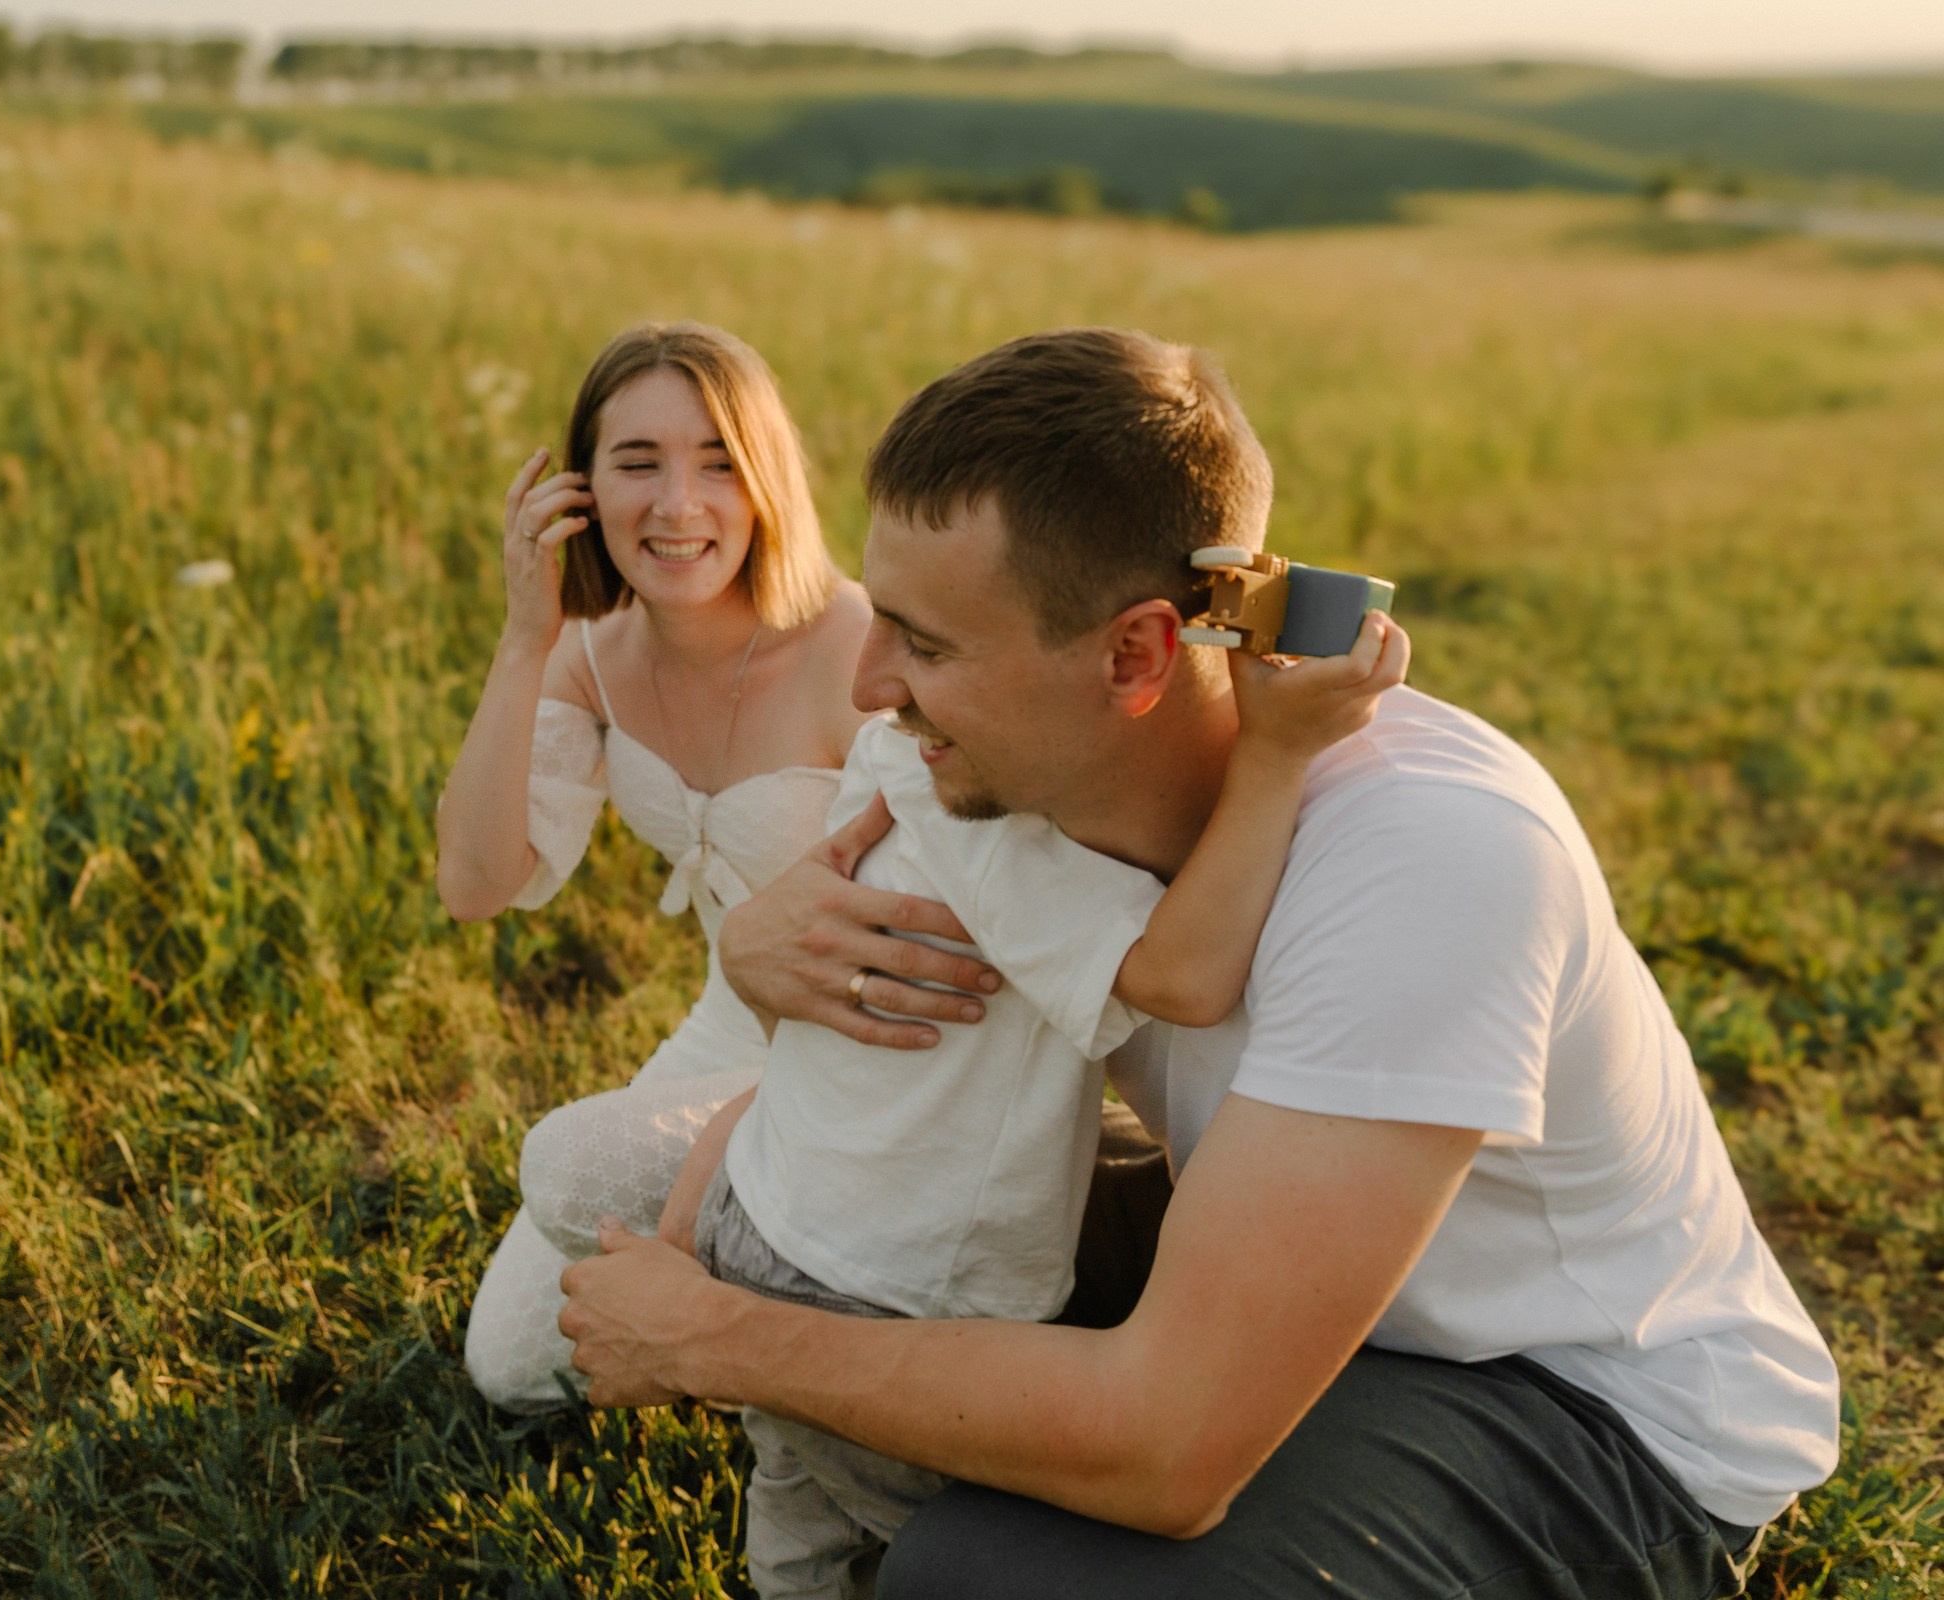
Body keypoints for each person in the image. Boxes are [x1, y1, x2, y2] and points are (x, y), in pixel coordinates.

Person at [557, 328, 1840, 1597]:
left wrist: (717, 1339)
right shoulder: (1021, 789)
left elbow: (1167, 1452)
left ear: (1137, 654)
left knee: (980, 1574)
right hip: (1279, 1226)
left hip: (1577, 1403)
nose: (868, 683)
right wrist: (760, 961)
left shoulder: (1433, 859)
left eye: (928, 645)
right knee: (811, 1226)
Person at [656, 606, 1404, 1599]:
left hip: (777, 1202)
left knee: (799, 1501)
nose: (870, 684)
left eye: (927, 642)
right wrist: (1275, 754)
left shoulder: (902, 758)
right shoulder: (989, 825)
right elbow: (1183, 976)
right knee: (978, 1542)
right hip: (890, 1282)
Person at [437, 321, 873, 1412]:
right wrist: (525, 639)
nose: (678, 506)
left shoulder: (849, 647)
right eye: (639, 463)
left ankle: (785, 1330)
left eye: (719, 463)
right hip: (732, 1028)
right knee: (516, 1363)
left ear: (767, 481)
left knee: (574, 1167)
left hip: (866, 1046)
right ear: (583, 488)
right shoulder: (591, 654)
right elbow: (477, 883)